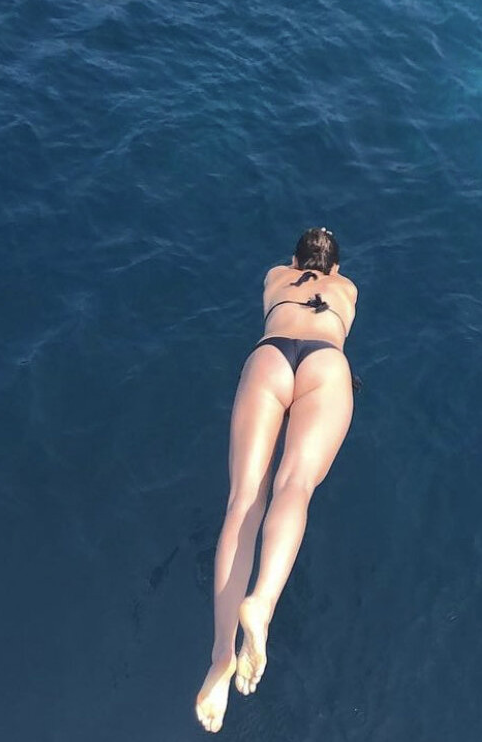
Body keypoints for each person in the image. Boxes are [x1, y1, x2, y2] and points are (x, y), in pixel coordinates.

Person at [195, 227, 358, 733]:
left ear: (293, 259)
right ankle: (261, 605)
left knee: (243, 500)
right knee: (295, 487)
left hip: (271, 356)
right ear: (336, 268)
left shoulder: (274, 276)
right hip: (325, 362)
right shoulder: (347, 288)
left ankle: (221, 656)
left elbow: (292, 277)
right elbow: (332, 289)